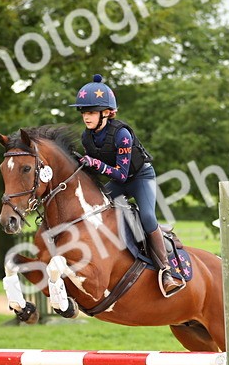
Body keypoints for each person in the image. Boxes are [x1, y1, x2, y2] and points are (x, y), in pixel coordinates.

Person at [70, 73, 185, 296]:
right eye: (84, 112)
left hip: (140, 178)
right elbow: (96, 169)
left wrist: (94, 163)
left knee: (147, 217)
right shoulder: (87, 137)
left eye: (91, 112)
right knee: (95, 209)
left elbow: (121, 175)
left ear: (106, 113)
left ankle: (166, 271)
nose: (86, 117)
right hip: (118, 181)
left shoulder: (122, 134)